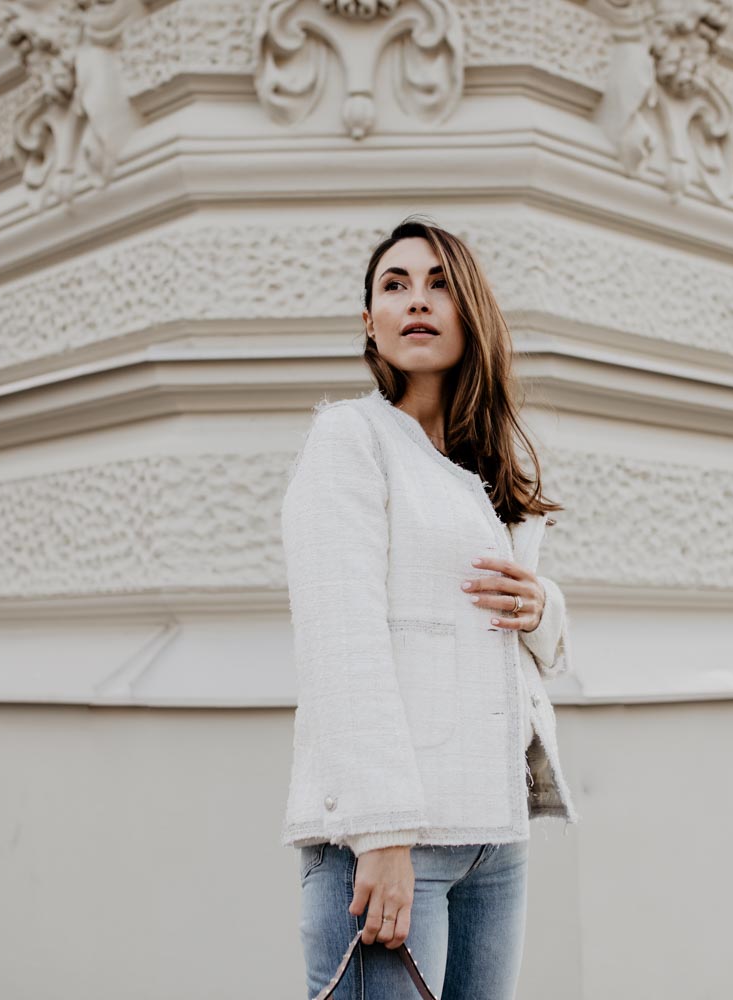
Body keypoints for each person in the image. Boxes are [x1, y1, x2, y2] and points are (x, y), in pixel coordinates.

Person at [279, 216, 581, 999]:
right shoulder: (351, 438)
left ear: (470, 311)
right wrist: (381, 836)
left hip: (494, 833)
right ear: (371, 325)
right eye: (395, 284)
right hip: (390, 842)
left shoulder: (487, 469)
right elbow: (340, 640)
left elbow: (515, 639)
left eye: (439, 283)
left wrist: (544, 603)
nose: (417, 300)